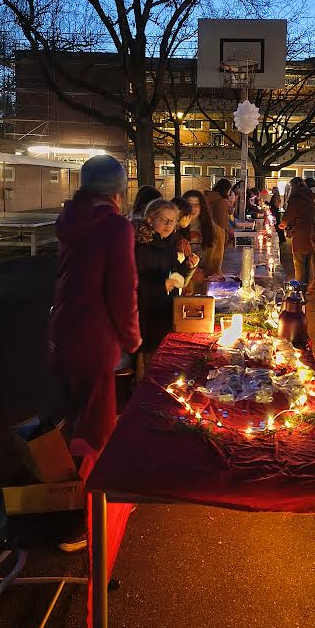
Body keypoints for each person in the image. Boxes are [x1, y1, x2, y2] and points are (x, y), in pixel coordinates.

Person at [49, 155, 140, 458]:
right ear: (119, 191)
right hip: (95, 335)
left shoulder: (72, 220)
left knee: (72, 417)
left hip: (64, 329)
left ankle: (68, 487)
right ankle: (91, 499)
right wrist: (132, 338)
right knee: (95, 428)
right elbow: (122, 290)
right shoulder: (115, 227)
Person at [133, 199, 192, 355]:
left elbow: (175, 276)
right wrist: (160, 285)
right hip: (145, 316)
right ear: (150, 219)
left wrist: (187, 266)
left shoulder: (168, 244)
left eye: (172, 221)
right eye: (163, 220)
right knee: (147, 356)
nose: (168, 225)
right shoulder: (139, 246)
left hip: (164, 311)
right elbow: (131, 284)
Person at [182, 189, 226, 293]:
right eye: (189, 204)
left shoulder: (216, 232)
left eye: (197, 204)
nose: (193, 208)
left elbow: (216, 263)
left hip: (206, 287)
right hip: (182, 287)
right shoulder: (175, 230)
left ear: (202, 207)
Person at [279, 177, 315, 289]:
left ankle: (300, 289)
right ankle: (306, 287)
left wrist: (283, 224)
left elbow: (290, 214)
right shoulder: (310, 197)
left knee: (299, 263)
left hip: (301, 234)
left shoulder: (296, 199)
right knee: (307, 262)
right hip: (311, 233)